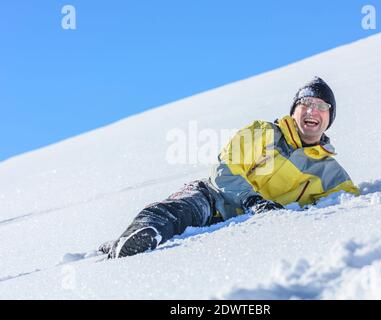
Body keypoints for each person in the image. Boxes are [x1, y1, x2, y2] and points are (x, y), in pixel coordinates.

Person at [102, 77, 360, 259]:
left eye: (321, 106)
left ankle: (122, 243)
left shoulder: (329, 171)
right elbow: (225, 168)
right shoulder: (263, 132)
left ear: (329, 118)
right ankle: (135, 239)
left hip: (244, 224)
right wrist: (251, 199)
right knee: (177, 211)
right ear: (294, 110)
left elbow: (352, 207)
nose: (312, 110)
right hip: (213, 197)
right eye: (306, 103)